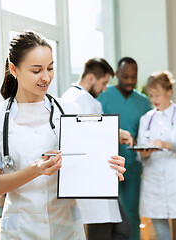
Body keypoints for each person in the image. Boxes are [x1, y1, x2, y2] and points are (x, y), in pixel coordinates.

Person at [0, 31, 126, 240]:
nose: (46, 77)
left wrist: (108, 167)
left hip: (67, 226)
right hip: (21, 229)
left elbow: (86, 165)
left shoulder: (70, 109)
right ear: (13, 69)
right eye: (36, 70)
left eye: (50, 68)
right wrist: (35, 170)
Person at [62, 57, 132, 240]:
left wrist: (115, 133)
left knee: (122, 229)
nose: (105, 88)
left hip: (102, 179)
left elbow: (93, 129)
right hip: (90, 182)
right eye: (104, 83)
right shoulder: (73, 99)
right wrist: (111, 133)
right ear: (91, 78)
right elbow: (78, 137)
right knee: (104, 233)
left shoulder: (87, 99)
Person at [136, 71, 176, 240]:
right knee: (162, 235)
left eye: (158, 95)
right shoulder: (147, 119)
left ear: (169, 91)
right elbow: (141, 156)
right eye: (151, 95)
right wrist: (145, 153)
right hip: (154, 183)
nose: (154, 100)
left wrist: (167, 145)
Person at [97, 57, 152, 240]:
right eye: (125, 76)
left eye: (133, 77)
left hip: (132, 166)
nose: (130, 81)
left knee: (131, 212)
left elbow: (149, 134)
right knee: (107, 215)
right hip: (107, 166)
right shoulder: (104, 96)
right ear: (117, 75)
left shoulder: (143, 102)